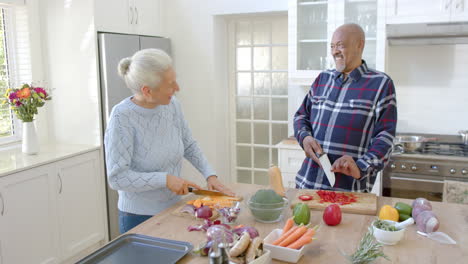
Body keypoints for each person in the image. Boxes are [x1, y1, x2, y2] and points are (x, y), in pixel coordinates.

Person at [104, 49, 234, 233]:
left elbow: (188, 144)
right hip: (139, 218)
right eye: (170, 84)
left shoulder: (172, 105)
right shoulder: (122, 117)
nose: (177, 88)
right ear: (147, 91)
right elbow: (117, 178)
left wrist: (209, 175)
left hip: (176, 209)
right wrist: (164, 179)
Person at [294, 23, 397, 192]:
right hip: (307, 186)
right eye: (332, 46)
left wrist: (360, 166)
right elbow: (301, 116)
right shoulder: (322, 79)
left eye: (340, 46)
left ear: (360, 45)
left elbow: (385, 137)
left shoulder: (381, 84)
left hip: (349, 191)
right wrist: (304, 138)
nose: (335, 51)